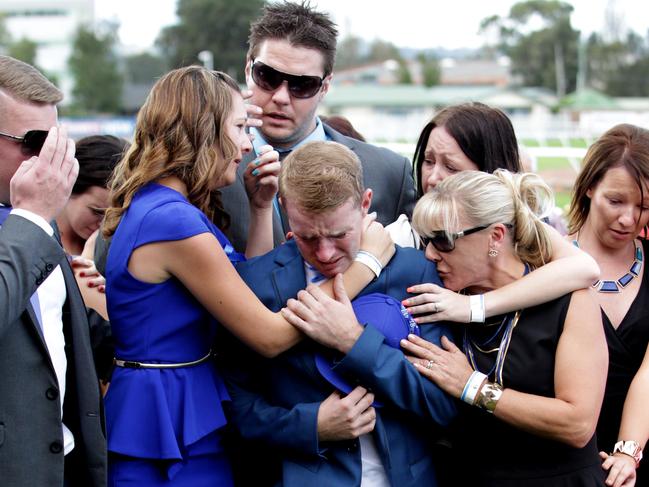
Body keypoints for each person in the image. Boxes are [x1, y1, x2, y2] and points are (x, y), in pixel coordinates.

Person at [101, 66, 391, 487]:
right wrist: (367, 264)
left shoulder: (169, 207)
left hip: (181, 398)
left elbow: (248, 293)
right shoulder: (172, 221)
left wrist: (260, 209)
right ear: (205, 129)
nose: (247, 144)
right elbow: (268, 335)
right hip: (165, 413)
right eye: (239, 127)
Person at [220, 140, 456, 487]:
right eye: (307, 237)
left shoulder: (417, 273)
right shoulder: (254, 284)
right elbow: (235, 409)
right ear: (284, 208)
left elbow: (442, 405)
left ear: (365, 204)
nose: (325, 252)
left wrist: (356, 342)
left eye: (339, 234)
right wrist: (310, 426)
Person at [395, 169, 608, 485]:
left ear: (495, 236)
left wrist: (472, 386)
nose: (429, 253)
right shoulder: (439, 295)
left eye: (443, 240)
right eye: (427, 240)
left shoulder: (571, 299)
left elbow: (577, 424)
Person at [220, 0, 416, 252]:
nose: (281, 97)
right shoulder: (210, 165)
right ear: (248, 70)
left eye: (302, 85)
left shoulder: (388, 172)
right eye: (268, 76)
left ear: (325, 86)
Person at [0, 55, 106, 486]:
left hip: (63, 462)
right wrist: (31, 218)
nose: (44, 156)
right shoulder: (31, 217)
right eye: (32, 140)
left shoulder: (30, 217)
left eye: (53, 141)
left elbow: (56, 333)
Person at [566, 124, 649, 487]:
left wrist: (628, 452)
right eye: (616, 201)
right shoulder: (546, 263)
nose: (629, 219)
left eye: (644, 206)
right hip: (566, 456)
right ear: (589, 188)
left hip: (637, 454)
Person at [387, 102, 522, 247]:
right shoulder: (398, 240)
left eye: (450, 167)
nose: (432, 178)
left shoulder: (537, 244)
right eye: (428, 161)